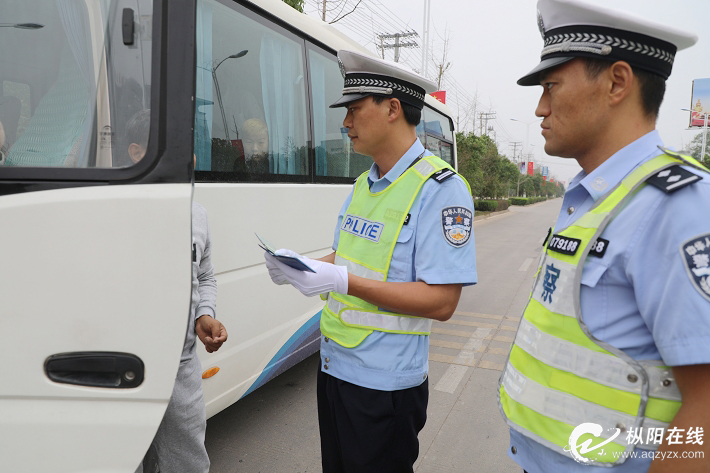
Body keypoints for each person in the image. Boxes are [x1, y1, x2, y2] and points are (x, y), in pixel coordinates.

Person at [497, 1, 710, 472]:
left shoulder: (678, 205)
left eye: (551, 85)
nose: (539, 107)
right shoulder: (595, 196)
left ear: (617, 82)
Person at [264, 50, 477, 473]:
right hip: (335, 369)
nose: (345, 123)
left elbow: (442, 303)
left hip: (385, 386)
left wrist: (341, 280)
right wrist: (301, 267)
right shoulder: (364, 184)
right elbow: (347, 258)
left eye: (354, 110)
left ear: (393, 109)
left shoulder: (442, 190)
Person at [127, 109, 229, 473]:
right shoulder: (113, 210)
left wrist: (206, 313)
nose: (190, 158)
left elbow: (205, 277)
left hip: (181, 366)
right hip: (126, 364)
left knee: (186, 463)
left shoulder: (197, 214)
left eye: (191, 148)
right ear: (137, 152)